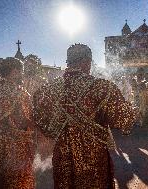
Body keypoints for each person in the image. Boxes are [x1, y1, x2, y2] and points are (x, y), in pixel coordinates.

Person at [33, 44, 136, 188]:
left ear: (69, 62)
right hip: (93, 158)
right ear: (86, 62)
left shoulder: (47, 90)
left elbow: (39, 118)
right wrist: (132, 107)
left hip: (63, 157)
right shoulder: (102, 87)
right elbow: (125, 120)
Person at [0, 57, 35, 188]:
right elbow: (27, 120)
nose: (22, 74)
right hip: (16, 148)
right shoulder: (20, 93)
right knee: (17, 182)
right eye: (21, 71)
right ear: (14, 71)